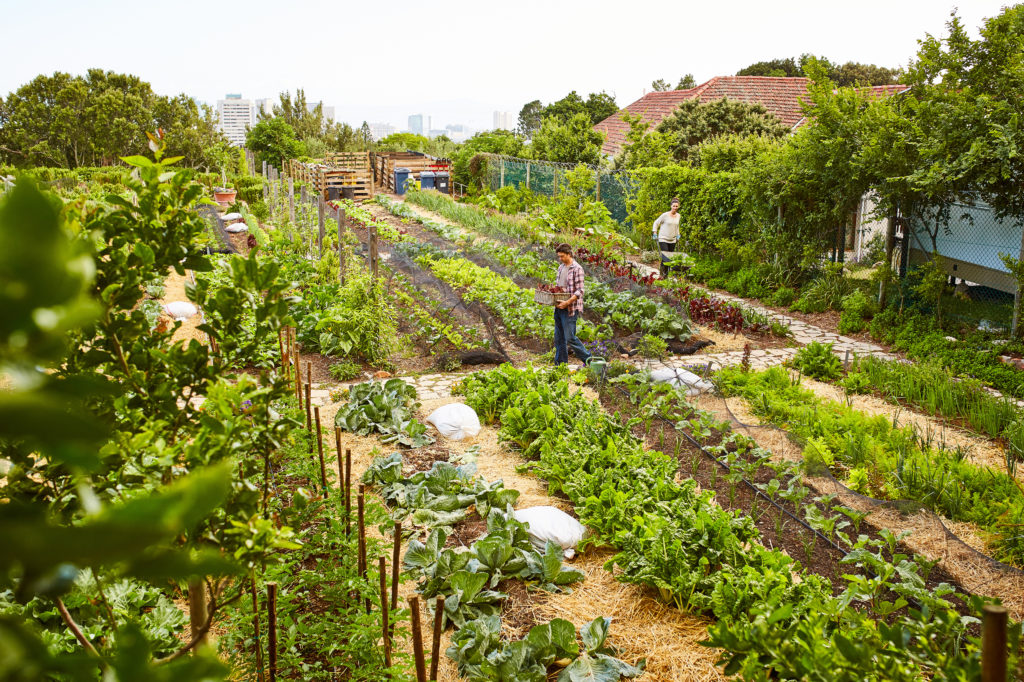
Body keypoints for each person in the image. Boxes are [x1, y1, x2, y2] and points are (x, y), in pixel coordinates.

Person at [553, 243, 591, 366]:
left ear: (569, 254)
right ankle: (560, 364)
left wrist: (567, 302)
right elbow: (560, 288)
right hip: (559, 307)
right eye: (559, 256)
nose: (560, 259)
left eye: (562, 256)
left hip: (570, 308)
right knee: (559, 338)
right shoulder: (561, 267)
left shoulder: (577, 269)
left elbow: (580, 291)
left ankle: (589, 360)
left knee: (570, 337)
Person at [652, 197, 681, 278]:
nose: (675, 208)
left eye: (676, 206)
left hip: (673, 240)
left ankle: (664, 274)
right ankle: (664, 275)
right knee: (665, 257)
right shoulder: (665, 215)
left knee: (670, 258)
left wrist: (678, 234)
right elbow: (656, 223)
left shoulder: (678, 216)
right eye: (674, 206)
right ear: (671, 206)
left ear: (678, 207)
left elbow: (677, 226)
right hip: (663, 238)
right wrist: (654, 232)